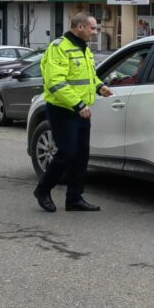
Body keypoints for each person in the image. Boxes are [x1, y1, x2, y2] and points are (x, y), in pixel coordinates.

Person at [33, 13, 113, 213]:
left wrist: (100, 86)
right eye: (92, 28)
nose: (95, 32)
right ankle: (43, 190)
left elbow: (89, 77)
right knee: (67, 153)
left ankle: (74, 198)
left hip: (82, 110)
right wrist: (78, 105)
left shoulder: (84, 48)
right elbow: (55, 82)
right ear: (79, 27)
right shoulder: (59, 48)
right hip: (63, 109)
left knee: (81, 156)